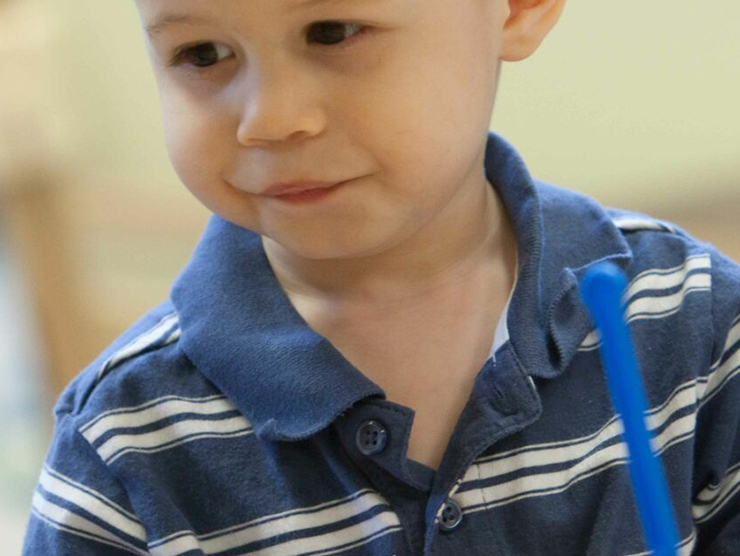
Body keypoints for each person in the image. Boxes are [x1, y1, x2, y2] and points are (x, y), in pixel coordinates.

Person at [22, 0, 740, 554]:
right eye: (202, 53)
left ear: (516, 8)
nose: (269, 120)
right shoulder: (121, 445)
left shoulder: (698, 322)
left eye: (331, 31)